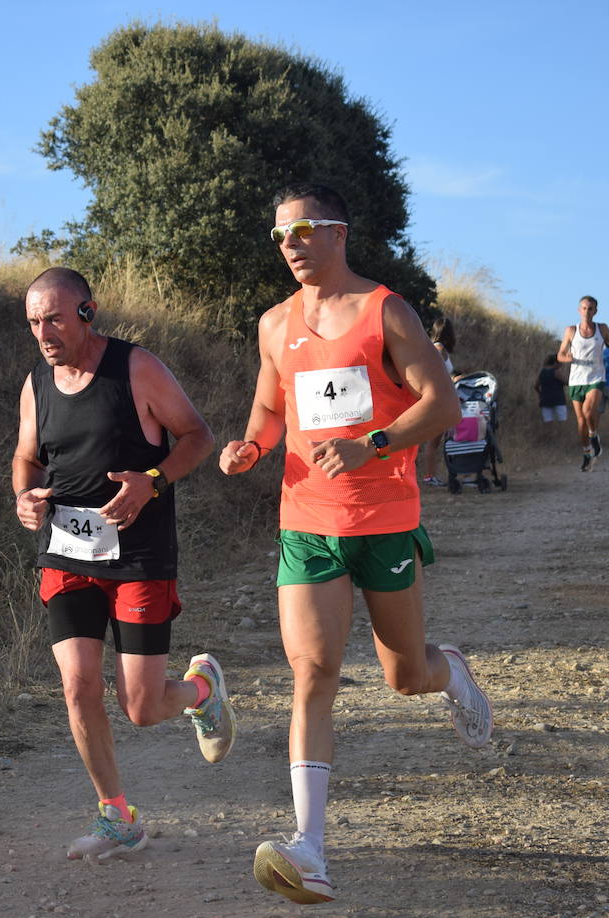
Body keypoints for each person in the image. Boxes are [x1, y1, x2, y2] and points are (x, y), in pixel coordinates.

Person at [219, 183, 492, 906]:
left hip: (384, 518)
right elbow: (269, 409)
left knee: (405, 675)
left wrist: (372, 444)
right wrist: (249, 447)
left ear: (338, 233)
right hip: (306, 521)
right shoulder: (275, 324)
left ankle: (451, 672)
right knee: (313, 672)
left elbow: (443, 403)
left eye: (304, 229)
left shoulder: (385, 311)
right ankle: (309, 848)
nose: (291, 244)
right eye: (280, 235)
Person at [12, 267, 235, 861]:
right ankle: (117, 816)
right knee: (78, 685)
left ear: (87, 313)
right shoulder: (37, 383)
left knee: (141, 706)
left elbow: (197, 436)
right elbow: (26, 457)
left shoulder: (137, 369)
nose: (43, 334)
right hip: (67, 552)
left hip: (139, 554)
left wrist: (152, 480)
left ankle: (201, 690)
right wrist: (24, 496)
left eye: (54, 319)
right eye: (33, 322)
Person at [557, 296, 609, 471]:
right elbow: (560, 354)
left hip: (596, 377)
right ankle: (586, 453)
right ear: (579, 310)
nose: (587, 311)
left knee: (588, 410)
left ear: (595, 311)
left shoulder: (602, 328)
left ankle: (593, 435)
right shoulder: (571, 330)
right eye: (584, 308)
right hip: (576, 380)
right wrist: (567, 358)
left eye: (590, 309)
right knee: (581, 421)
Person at [419, 315, 456, 486]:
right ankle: (428, 476)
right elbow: (437, 375)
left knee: (435, 441)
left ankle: (431, 475)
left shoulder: (437, 349)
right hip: (437, 401)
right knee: (433, 442)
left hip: (439, 399)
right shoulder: (439, 350)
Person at [534, 352, 568, 422]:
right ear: (555, 363)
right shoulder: (556, 372)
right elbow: (566, 382)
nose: (561, 365)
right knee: (562, 421)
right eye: (560, 363)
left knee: (548, 422)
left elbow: (536, 386)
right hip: (558, 400)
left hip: (545, 400)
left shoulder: (542, 372)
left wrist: (540, 394)